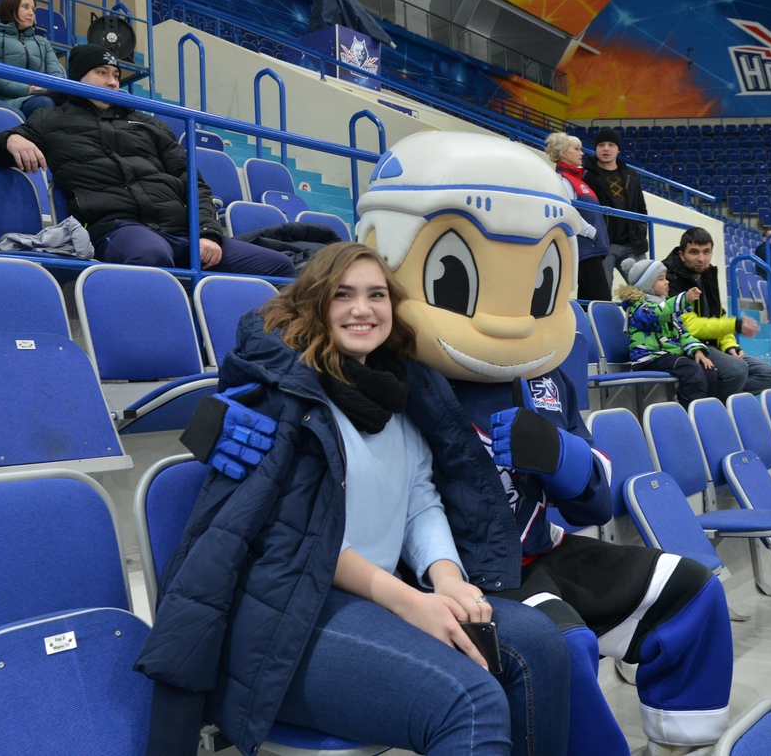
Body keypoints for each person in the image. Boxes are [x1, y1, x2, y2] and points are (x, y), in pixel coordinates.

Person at [137, 241, 571, 756]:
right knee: (470, 701)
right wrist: (412, 603)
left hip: (378, 596)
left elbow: (420, 501)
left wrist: (447, 580)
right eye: (342, 295)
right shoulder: (285, 395)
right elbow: (302, 536)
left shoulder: (399, 390)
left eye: (376, 295)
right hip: (289, 609)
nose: (362, 309)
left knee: (540, 644)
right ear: (315, 304)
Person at [0, 44, 296, 278]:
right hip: (118, 228)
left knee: (279, 266)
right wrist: (11, 139)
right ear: (77, 78)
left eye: (116, 75)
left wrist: (209, 233)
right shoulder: (50, 120)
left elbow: (192, 181)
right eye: (102, 73)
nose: (113, 82)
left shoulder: (149, 123)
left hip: (182, 231)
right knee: (151, 255)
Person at [664, 226, 771, 397]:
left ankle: (711, 399)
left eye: (706, 252)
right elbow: (689, 326)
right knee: (737, 370)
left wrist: (729, 345)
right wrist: (735, 325)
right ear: (682, 255)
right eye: (694, 252)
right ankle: (708, 407)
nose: (701, 258)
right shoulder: (669, 279)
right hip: (686, 346)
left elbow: (719, 315)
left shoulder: (707, 274)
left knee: (769, 374)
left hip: (710, 345)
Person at [617, 256, 720, 407]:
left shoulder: (666, 306)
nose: (667, 282)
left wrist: (697, 351)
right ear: (647, 284)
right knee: (691, 370)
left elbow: (681, 333)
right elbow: (656, 314)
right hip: (649, 358)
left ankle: (706, 411)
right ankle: (690, 412)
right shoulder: (638, 308)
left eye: (665, 278)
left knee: (708, 369)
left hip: (666, 355)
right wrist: (684, 298)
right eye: (661, 279)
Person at [545, 131, 611, 301]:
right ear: (564, 153)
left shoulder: (576, 180)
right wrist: (591, 232)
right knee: (602, 299)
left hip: (590, 249)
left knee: (588, 300)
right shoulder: (565, 180)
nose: (581, 153)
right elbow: (568, 211)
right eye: (576, 149)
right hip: (586, 248)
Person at [0, 0, 65, 118]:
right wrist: (28, 89)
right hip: (6, 100)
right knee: (44, 103)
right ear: (10, 7)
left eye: (33, 10)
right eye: (25, 7)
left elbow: (57, 75)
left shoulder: (43, 42)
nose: (31, 13)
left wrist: (47, 90)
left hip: (40, 94)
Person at [582, 126, 649, 286]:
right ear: (595, 148)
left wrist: (640, 232)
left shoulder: (631, 175)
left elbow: (641, 208)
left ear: (618, 149)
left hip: (632, 244)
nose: (606, 148)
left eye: (611, 145)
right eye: (601, 145)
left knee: (643, 290)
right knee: (603, 292)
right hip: (603, 244)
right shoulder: (587, 176)